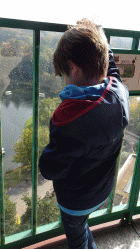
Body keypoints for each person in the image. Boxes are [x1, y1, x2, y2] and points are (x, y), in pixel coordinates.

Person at [39, 18, 129, 249]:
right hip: (102, 191)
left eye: (64, 74)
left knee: (77, 236)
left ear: (73, 68)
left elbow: (51, 168)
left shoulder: (67, 119)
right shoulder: (119, 94)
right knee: (82, 225)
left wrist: (45, 157)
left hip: (75, 201)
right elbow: (113, 67)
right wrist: (98, 36)